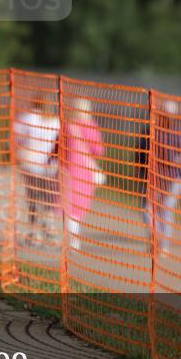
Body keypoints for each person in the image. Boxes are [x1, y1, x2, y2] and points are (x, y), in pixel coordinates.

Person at [60, 97, 105, 252]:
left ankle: (72, 238)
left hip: (69, 170)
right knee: (79, 207)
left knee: (68, 206)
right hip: (86, 172)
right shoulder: (93, 127)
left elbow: (60, 148)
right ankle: (73, 239)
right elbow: (99, 151)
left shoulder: (68, 126)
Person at [13, 98, 61, 236]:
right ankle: (48, 225)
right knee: (48, 196)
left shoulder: (29, 117)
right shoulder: (56, 122)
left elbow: (16, 136)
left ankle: (34, 230)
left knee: (33, 197)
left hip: (30, 163)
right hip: (48, 166)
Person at [152, 99, 181, 255]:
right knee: (157, 208)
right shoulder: (156, 132)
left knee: (167, 207)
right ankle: (157, 239)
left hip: (174, 177)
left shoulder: (179, 135)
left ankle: (164, 244)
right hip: (159, 175)